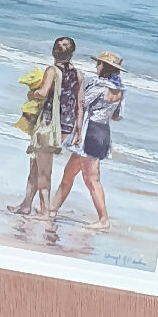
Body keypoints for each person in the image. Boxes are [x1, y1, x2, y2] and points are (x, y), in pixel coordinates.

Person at [50, 52, 125, 231]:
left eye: (98, 64)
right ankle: (52, 210)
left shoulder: (99, 85)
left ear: (104, 67)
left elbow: (81, 105)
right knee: (69, 173)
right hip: (103, 132)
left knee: (91, 179)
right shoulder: (120, 90)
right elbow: (116, 116)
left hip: (90, 131)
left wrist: (76, 131)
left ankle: (103, 220)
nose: (96, 67)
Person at [9, 37, 82, 217]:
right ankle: (26, 204)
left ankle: (44, 211)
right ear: (71, 53)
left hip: (48, 124)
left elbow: (42, 93)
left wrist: (31, 92)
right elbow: (80, 104)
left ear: (54, 51)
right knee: (36, 164)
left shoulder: (52, 70)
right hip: (65, 127)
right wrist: (78, 131)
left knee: (43, 170)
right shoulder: (78, 75)